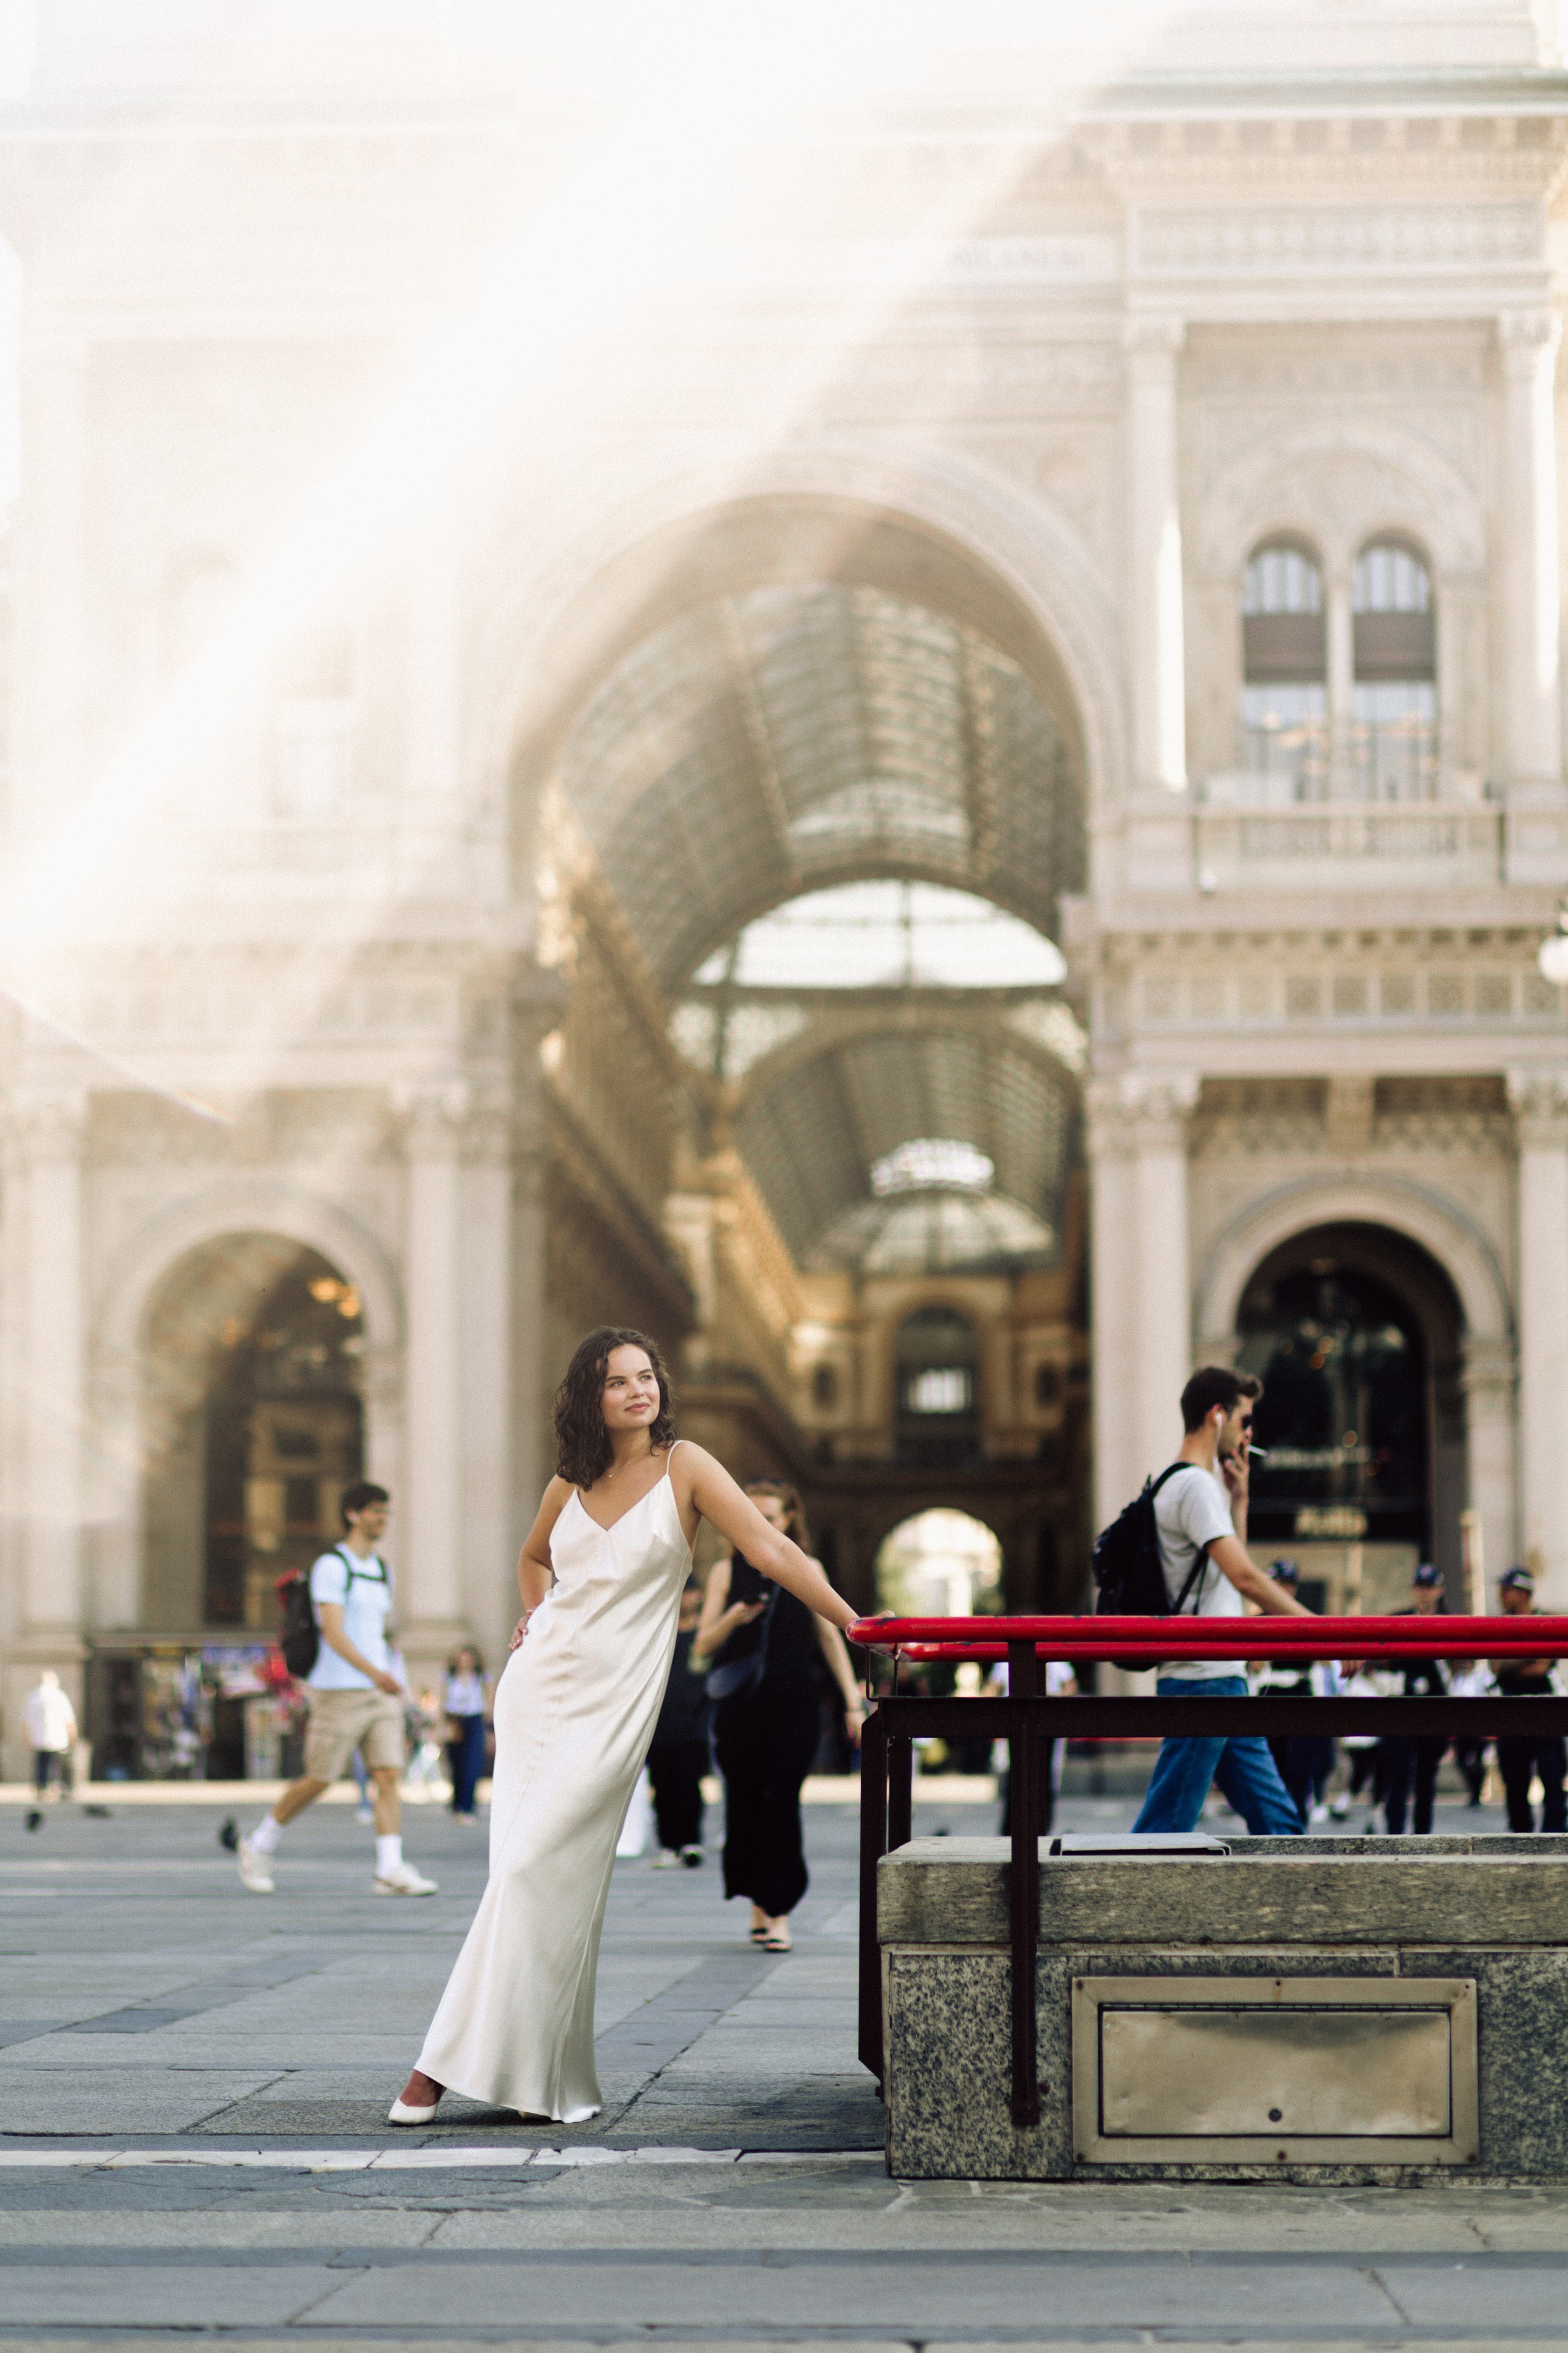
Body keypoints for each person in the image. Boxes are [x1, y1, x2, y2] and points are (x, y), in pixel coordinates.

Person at [390, 1327, 862, 2127]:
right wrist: (535, 1619)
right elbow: (534, 1557)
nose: (639, 1391)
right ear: (590, 1398)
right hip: (539, 1692)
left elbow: (773, 1550)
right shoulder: (567, 1481)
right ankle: (536, 2075)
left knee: (533, 1870)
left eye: (647, 1377)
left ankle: (435, 2067)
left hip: (614, 1709)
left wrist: (855, 1622)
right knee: (535, 1877)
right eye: (618, 1382)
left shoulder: (688, 1467)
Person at [1131, 1365, 1310, 1836]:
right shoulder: (1194, 1485)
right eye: (1245, 1420)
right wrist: (1320, 1630)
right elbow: (1246, 1577)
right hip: (1204, 1682)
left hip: (1216, 1679)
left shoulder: (1177, 1482)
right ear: (1217, 1415)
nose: (1250, 1433)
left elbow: (1225, 1580)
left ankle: (1300, 1907)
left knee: (1279, 1823)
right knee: (1164, 1827)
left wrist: (1240, 1501)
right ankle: (1101, 1904)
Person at [236, 1484, 435, 1898]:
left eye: (386, 1511)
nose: (383, 1518)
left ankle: (390, 1868)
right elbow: (334, 1632)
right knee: (319, 1778)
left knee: (388, 1775)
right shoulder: (332, 1566)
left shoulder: (382, 1569)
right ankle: (259, 1844)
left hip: (379, 1692)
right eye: (375, 1511)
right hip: (338, 1690)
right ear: (352, 1514)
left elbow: (377, 1633)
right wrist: (376, 1672)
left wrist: (389, 1676)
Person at [693, 1480, 867, 1952]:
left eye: (771, 1518)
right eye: (753, 1516)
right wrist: (735, 1618)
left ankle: (779, 1912)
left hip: (795, 1705)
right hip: (740, 1709)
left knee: (782, 1802)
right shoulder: (725, 1572)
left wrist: (854, 1702)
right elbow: (704, 1644)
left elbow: (832, 1637)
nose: (762, 1525)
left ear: (790, 1519)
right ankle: (757, 1903)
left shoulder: (807, 1567)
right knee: (745, 1803)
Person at [1251, 1560, 1338, 1827]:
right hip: (1271, 1693)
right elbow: (1253, 1665)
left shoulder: (1305, 1618)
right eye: (1280, 1584)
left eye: (1290, 1584)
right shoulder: (1258, 1622)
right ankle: (1274, 1830)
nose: (1285, 1589)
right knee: (1271, 1772)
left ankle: (1298, 1828)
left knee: (1301, 1772)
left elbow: (1326, 1660)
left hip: (1302, 1693)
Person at [1490, 1564, 1567, 1834]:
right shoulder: (1499, 1623)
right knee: (1514, 1775)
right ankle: (1520, 1833)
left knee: (1551, 1772)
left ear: (1524, 1593)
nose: (1501, 1595)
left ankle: (1554, 1832)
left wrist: (1510, 1661)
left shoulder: (1546, 1620)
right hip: (1511, 1704)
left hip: (1543, 1703)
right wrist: (1530, 1655)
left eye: (1507, 1590)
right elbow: (1495, 1667)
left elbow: (1540, 1667)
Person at [1380, 1562, 1450, 1837]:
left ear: (1440, 1590)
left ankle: (1423, 1833)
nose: (1424, 1593)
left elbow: (1459, 1667)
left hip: (1434, 1708)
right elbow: (1382, 1656)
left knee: (1426, 1777)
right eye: (1420, 1587)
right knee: (1396, 1774)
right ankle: (1394, 1832)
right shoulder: (1398, 1620)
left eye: (1430, 1587)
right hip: (1400, 1705)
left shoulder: (1450, 1623)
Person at [646, 1578, 710, 1866]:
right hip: (660, 1723)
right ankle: (668, 1844)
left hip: (695, 1724)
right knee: (662, 1785)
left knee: (689, 1784)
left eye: (690, 1592)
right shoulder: (660, 1632)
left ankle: (691, 1841)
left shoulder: (705, 1635)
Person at [443, 1645, 489, 1824]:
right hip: (455, 1721)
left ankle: (468, 1807)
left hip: (475, 1720)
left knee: (473, 1764)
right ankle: (457, 1803)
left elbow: (488, 1702)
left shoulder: (480, 1677)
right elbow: (444, 1701)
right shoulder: (450, 1677)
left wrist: (490, 1730)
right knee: (457, 1764)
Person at [24, 1671, 77, 1803]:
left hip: (38, 1737)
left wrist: (26, 1737)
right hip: (56, 1737)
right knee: (53, 1764)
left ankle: (41, 1789)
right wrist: (73, 1736)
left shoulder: (34, 1696)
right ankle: (52, 1788)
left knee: (41, 1763)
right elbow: (69, 1719)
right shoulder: (59, 1696)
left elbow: (26, 1720)